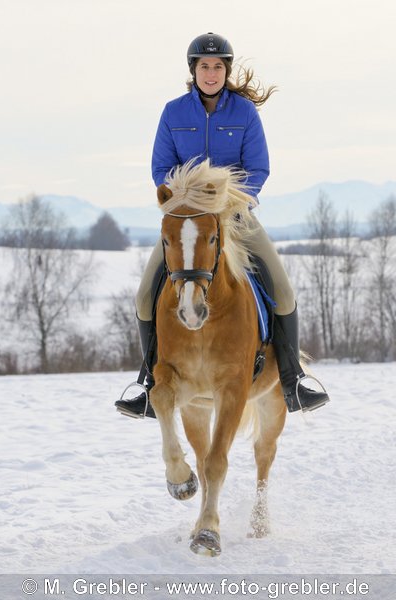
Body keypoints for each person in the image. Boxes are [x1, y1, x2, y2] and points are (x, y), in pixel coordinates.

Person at [116, 32, 329, 419]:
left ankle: (293, 379)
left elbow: (259, 168)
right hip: (187, 223)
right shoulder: (173, 113)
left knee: (282, 289)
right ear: (193, 71)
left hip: (236, 217)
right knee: (146, 296)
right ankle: (147, 383)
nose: (210, 73)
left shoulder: (244, 113)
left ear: (226, 70)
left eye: (217, 67)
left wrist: (227, 202)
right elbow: (160, 169)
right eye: (204, 66)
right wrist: (190, 200)